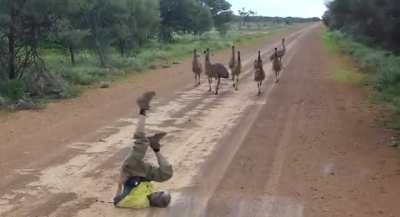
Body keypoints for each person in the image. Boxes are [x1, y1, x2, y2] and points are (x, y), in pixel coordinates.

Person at [113, 91, 173, 209]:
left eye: (160, 194)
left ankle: (142, 109)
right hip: (143, 174)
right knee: (167, 174)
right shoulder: (148, 194)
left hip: (130, 170)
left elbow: (117, 201)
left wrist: (119, 184)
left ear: (157, 202)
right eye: (161, 192)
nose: (158, 192)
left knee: (141, 143)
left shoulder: (139, 203)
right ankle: (155, 147)